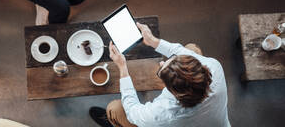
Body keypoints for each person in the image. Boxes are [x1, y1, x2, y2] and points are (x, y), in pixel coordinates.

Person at [90, 23, 230, 127]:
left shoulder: (163, 114)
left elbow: (133, 112)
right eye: (173, 58)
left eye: (161, 70)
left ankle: (114, 122)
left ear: (173, 92)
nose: (162, 63)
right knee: (191, 49)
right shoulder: (215, 67)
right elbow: (181, 51)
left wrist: (122, 67)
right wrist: (153, 41)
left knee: (115, 109)